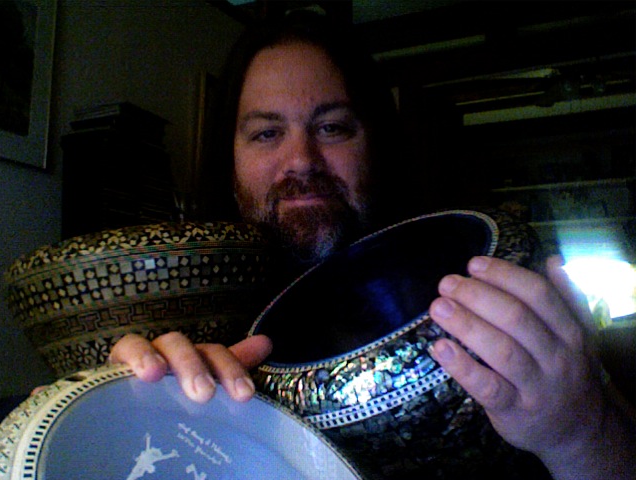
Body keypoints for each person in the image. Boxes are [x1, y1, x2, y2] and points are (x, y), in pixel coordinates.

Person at [110, 14, 635, 480]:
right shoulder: (194, 330)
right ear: (230, 162)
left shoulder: (484, 286)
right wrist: (130, 409)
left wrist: (581, 434)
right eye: (267, 134)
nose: (301, 159)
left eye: (332, 127)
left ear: (377, 146)